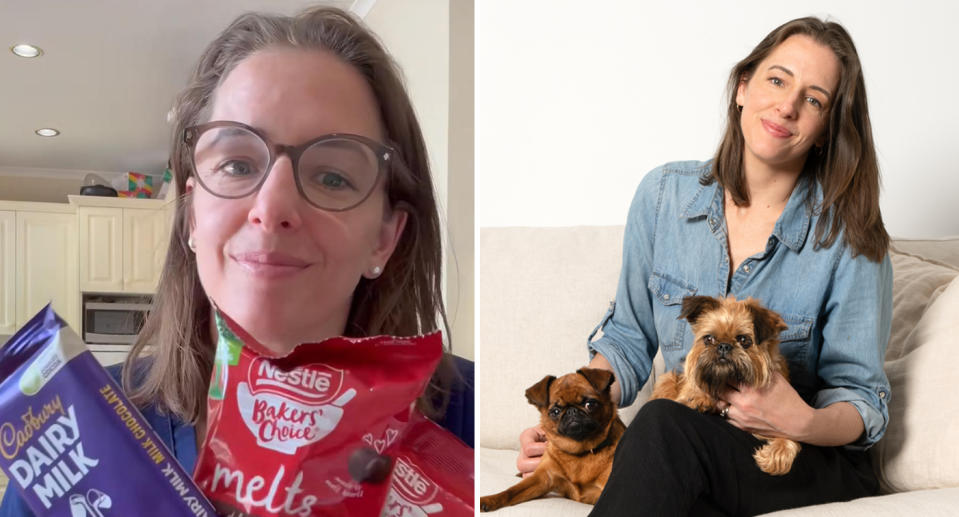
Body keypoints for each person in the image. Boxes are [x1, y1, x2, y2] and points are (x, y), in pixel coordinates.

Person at [0, 6, 472, 515]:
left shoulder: (466, 413)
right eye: (237, 164)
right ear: (192, 218)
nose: (271, 209)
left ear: (384, 238)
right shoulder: (73, 438)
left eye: (332, 176)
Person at [517, 17, 891, 516]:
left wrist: (797, 420)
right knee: (668, 450)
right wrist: (560, 424)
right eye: (777, 80)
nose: (787, 105)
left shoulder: (850, 234)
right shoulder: (662, 197)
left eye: (814, 99)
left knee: (660, 426)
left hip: (805, 455)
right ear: (742, 87)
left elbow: (862, 398)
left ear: (825, 129)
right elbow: (627, 338)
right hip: (697, 442)